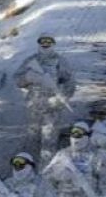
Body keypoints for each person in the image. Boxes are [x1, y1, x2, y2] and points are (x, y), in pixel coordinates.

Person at [15, 35, 76, 165]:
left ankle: (47, 173)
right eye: (43, 41)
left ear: (53, 44)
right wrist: (28, 77)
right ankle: (27, 170)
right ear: (38, 43)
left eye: (49, 41)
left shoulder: (60, 62)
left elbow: (70, 83)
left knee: (49, 141)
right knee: (32, 139)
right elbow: (17, 80)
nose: (46, 44)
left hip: (52, 108)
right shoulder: (30, 61)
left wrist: (60, 99)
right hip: (34, 107)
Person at [43, 122, 106, 197]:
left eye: (79, 134)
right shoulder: (62, 155)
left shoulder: (95, 156)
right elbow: (46, 178)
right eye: (73, 133)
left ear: (87, 136)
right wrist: (59, 173)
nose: (76, 137)